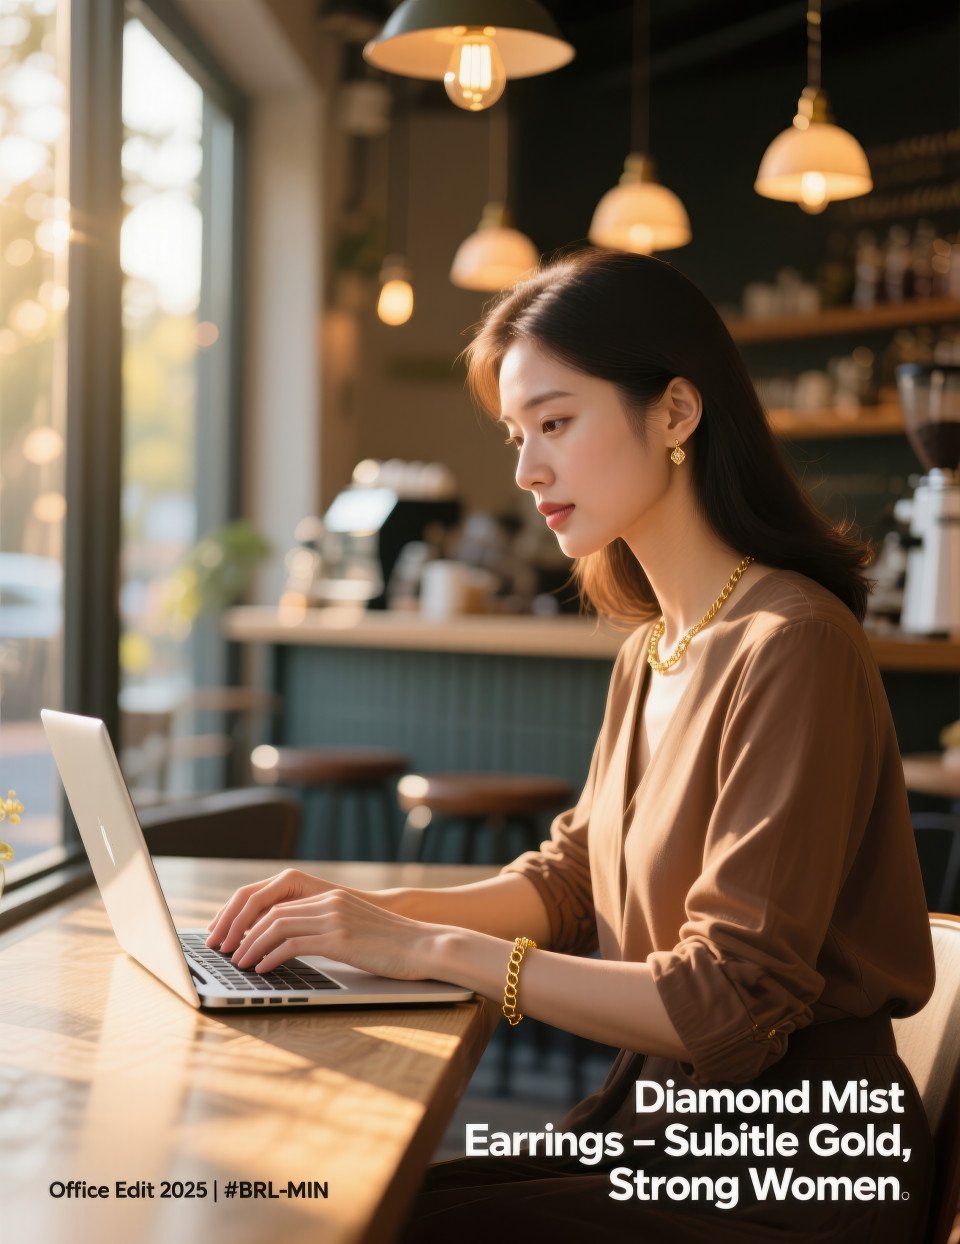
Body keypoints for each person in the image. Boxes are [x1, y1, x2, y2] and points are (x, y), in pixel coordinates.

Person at [206, 250, 935, 1242]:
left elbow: (728, 997)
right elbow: (569, 882)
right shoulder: (653, 647)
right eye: (516, 434)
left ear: (677, 412)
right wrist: (354, 916)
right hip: (666, 1126)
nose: (525, 469)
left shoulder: (792, 639)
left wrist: (424, 945)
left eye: (555, 422)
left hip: (795, 1165)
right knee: (343, 1204)